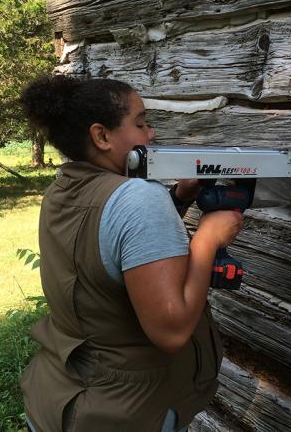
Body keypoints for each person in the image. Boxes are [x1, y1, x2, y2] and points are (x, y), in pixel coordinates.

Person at [19, 75, 244, 432]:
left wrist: (178, 200)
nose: (150, 134)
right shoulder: (138, 197)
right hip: (125, 414)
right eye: (140, 123)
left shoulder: (62, 188)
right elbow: (171, 332)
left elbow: (110, 246)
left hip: (57, 397)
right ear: (102, 136)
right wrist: (207, 238)